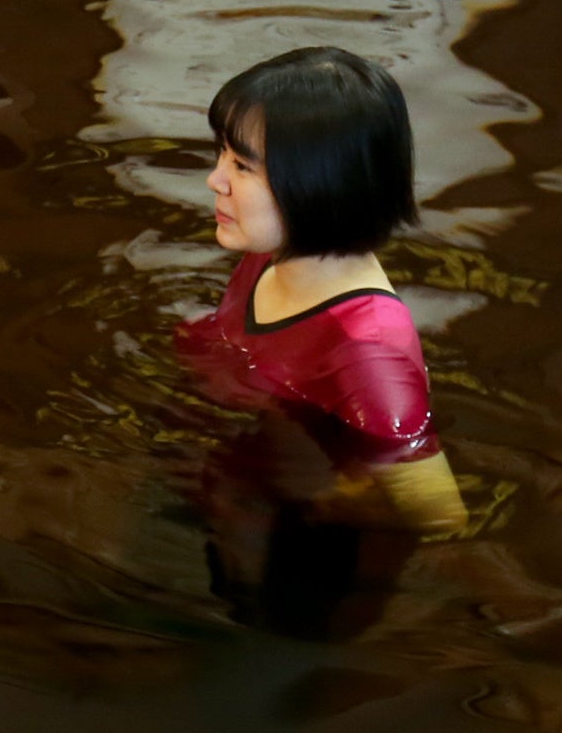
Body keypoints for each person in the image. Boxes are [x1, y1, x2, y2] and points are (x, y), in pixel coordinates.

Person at [178, 47, 475, 573]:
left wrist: (308, 510)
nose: (215, 180)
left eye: (242, 165)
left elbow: (438, 510)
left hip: (279, 559)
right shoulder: (274, 253)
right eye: (221, 154)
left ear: (319, 183)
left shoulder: (367, 351)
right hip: (228, 493)